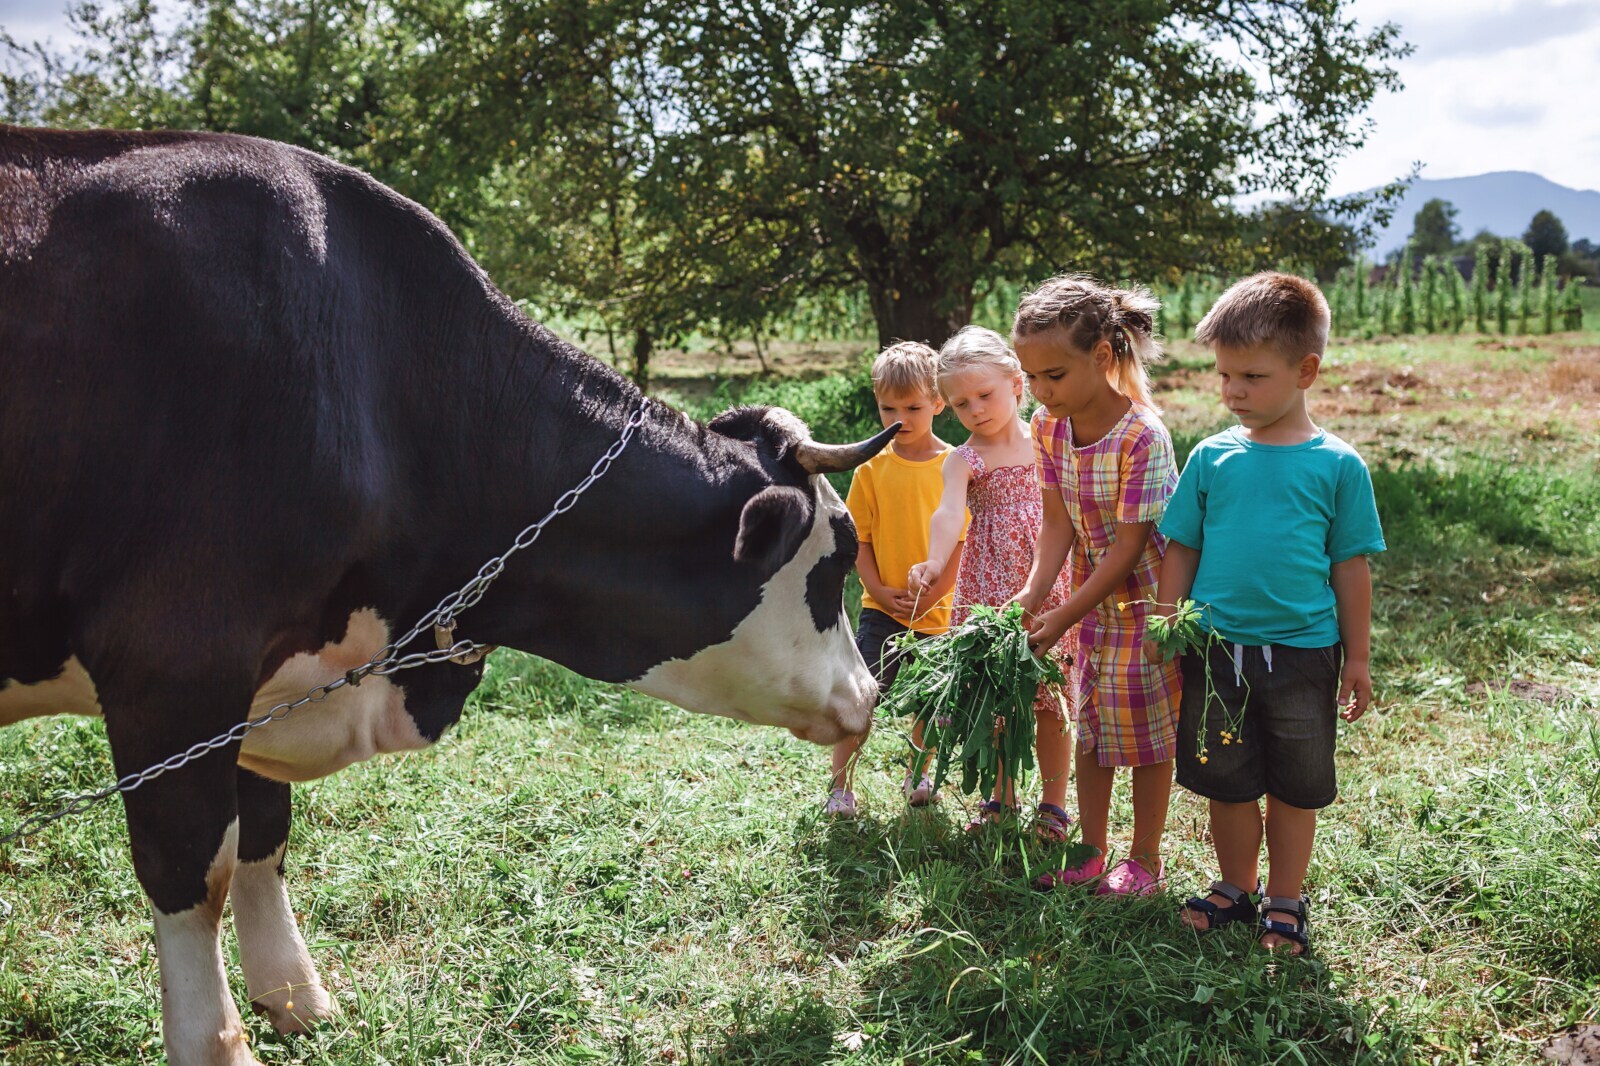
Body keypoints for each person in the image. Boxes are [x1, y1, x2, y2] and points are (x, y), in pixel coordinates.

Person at [1156, 272, 1385, 954]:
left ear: (1305, 371)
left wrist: (1359, 656)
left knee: (1295, 784)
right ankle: (1236, 886)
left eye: (1252, 377)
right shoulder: (1212, 457)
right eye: (1224, 376)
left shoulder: (1338, 466)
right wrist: (1167, 619)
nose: (1233, 392)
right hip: (1216, 650)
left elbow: (1350, 568)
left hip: (1304, 655)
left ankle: (1284, 898)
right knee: (1226, 782)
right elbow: (1183, 545)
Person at [1011, 276, 1182, 896]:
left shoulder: (1142, 436)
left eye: (1054, 375)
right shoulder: (1048, 426)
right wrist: (1033, 596)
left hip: (1148, 604)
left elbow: (1130, 548)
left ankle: (1144, 859)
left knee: (1147, 736)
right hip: (1091, 600)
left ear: (1102, 355)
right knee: (1091, 728)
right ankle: (1091, 849)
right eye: (1031, 376)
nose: (1040, 390)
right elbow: (1056, 524)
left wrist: (1063, 614)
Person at [909, 326, 1073, 841]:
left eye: (985, 394)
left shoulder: (1051, 434)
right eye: (961, 403)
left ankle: (1054, 804)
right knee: (996, 699)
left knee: (1052, 698)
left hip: (1052, 582)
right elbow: (947, 513)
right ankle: (1001, 798)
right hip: (989, 593)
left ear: (1017, 384)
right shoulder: (963, 459)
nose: (976, 409)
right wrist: (935, 561)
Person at [828, 342, 966, 818]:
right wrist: (878, 590)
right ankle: (840, 786)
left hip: (938, 612)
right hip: (882, 609)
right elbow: (860, 540)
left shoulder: (955, 465)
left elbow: (961, 541)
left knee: (931, 701)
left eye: (913, 408)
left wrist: (937, 594)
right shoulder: (871, 468)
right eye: (889, 408)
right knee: (861, 698)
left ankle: (918, 773)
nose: (900, 418)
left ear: (938, 403)